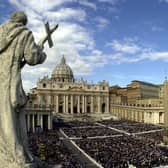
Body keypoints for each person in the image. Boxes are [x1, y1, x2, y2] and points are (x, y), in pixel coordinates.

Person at [0, 11, 46, 167]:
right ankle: (16, 156)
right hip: (10, 81)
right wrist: (41, 52)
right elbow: (32, 57)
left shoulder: (0, 31)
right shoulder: (25, 33)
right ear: (23, 22)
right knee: (12, 119)